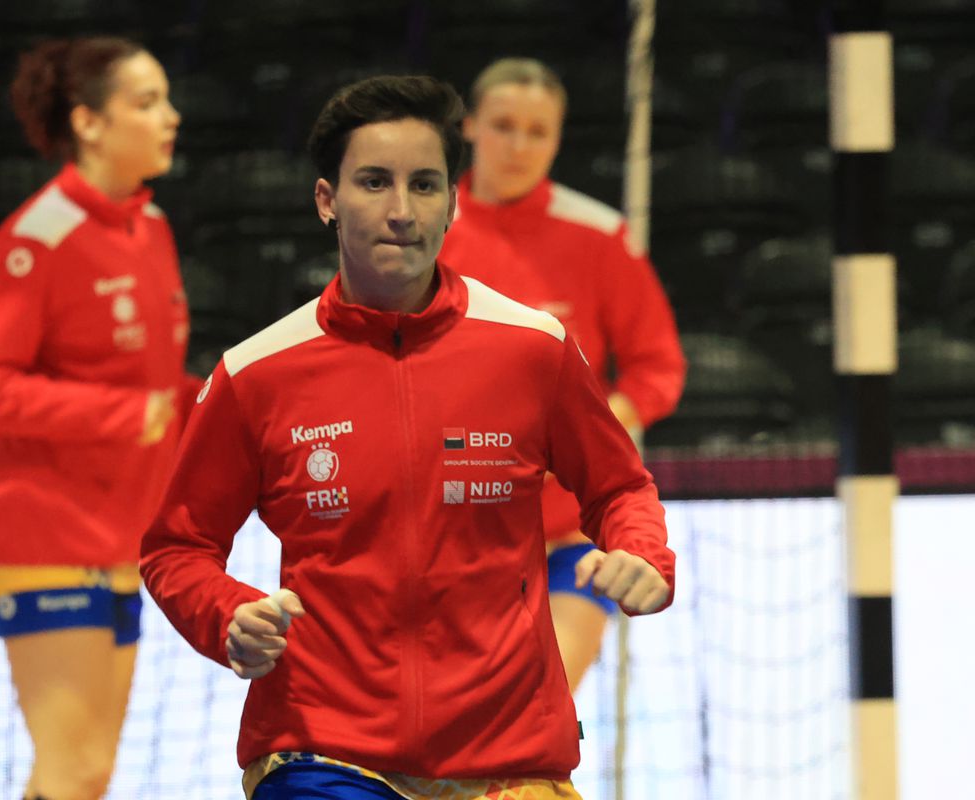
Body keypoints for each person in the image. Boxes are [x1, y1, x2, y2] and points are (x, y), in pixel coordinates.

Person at [140, 74, 675, 800]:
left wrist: (642, 553)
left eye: (424, 185)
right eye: (373, 182)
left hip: (508, 758)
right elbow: (178, 547)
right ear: (327, 200)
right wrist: (226, 612)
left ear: (453, 202)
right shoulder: (255, 373)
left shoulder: (534, 348)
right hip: (322, 751)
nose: (401, 210)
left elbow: (620, 487)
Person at [0, 37, 191, 800]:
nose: (171, 117)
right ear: (88, 123)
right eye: (146, 102)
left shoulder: (150, 227)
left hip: (118, 530)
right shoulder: (39, 237)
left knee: (84, 775)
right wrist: (126, 414)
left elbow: (153, 390)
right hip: (37, 529)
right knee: (74, 770)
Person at [440, 58, 687, 691]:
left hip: (569, 530)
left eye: (538, 131)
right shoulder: (423, 232)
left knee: (537, 698)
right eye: (503, 126)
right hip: (451, 531)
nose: (519, 146)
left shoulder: (599, 235)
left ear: (558, 139)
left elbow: (658, 367)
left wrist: (590, 434)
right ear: (469, 126)